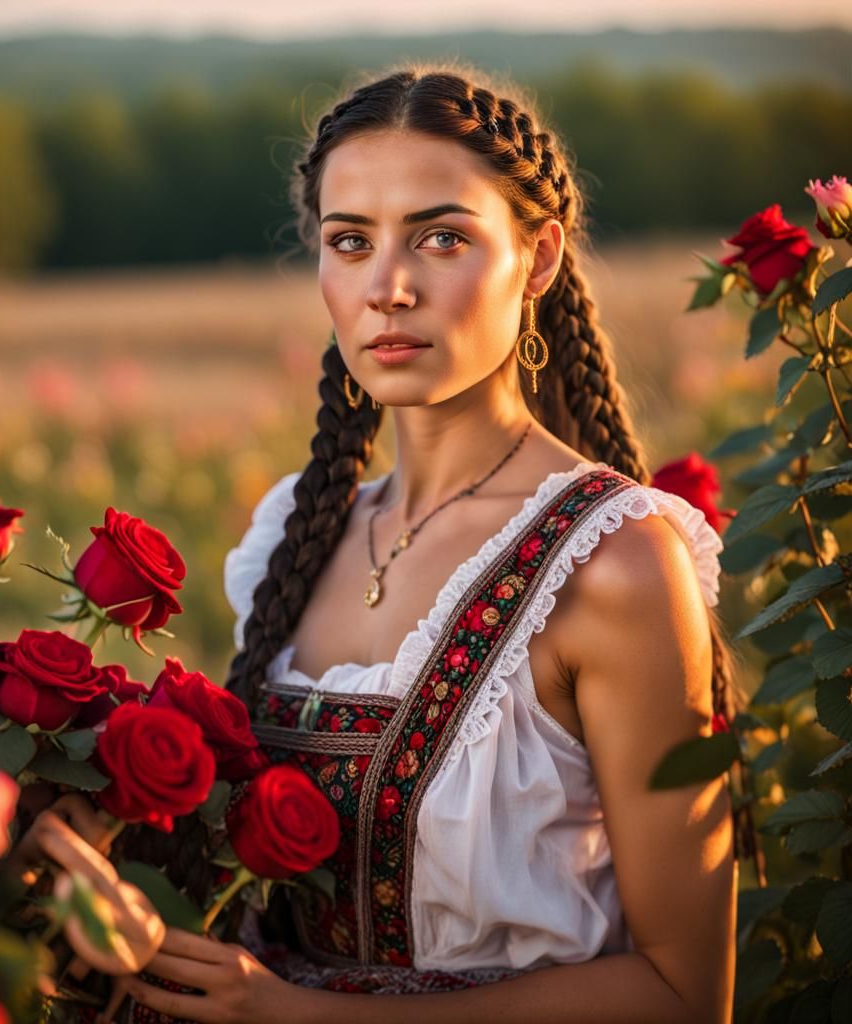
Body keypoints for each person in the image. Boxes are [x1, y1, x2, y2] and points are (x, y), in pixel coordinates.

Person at [36, 60, 741, 1023]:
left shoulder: (614, 562)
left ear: (537, 258)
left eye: (441, 238)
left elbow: (684, 993)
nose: (390, 288)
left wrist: (299, 1013)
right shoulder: (297, 533)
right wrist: (110, 847)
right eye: (351, 242)